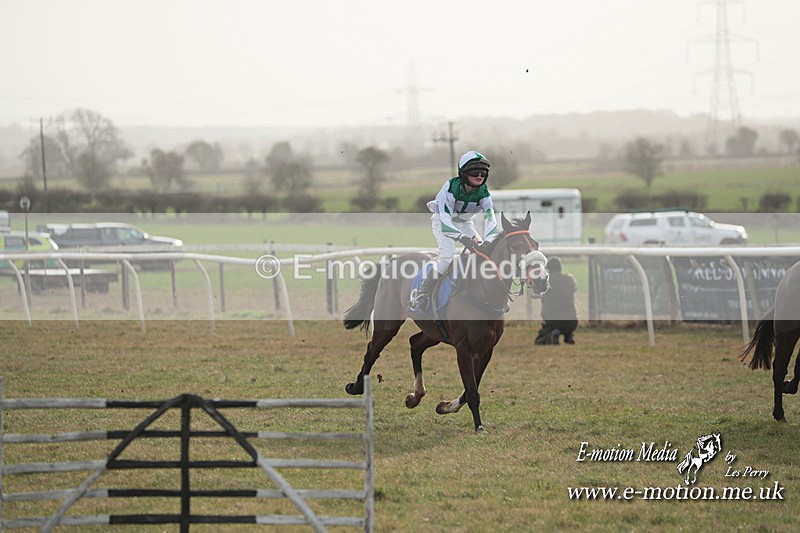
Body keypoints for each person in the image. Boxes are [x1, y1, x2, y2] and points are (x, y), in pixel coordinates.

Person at [409, 150, 500, 313]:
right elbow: (445, 222)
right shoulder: (450, 187)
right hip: (443, 223)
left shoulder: (484, 192)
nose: (479, 175)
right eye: (474, 171)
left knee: (483, 254)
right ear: (464, 173)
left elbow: (490, 218)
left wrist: (488, 240)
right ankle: (423, 294)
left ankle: (486, 295)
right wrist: (463, 239)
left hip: (465, 224)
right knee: (447, 256)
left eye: (483, 172)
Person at [535, 256, 578, 344]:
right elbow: (574, 289)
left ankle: (554, 333)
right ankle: (568, 335)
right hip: (572, 322)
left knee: (540, 339)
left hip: (552, 321)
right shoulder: (570, 279)